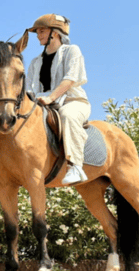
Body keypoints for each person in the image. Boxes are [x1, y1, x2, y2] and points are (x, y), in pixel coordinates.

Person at [26, 14, 91, 185]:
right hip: (43, 104)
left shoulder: (72, 51)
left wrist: (51, 97)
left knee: (67, 115)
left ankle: (76, 167)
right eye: (37, 32)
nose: (38, 35)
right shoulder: (35, 62)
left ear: (55, 33)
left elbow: (70, 79)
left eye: (41, 31)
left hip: (73, 102)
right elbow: (29, 89)